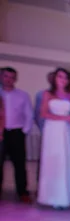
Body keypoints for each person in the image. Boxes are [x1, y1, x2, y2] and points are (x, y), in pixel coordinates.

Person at [37, 68, 70, 209]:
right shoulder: (47, 94)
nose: (63, 79)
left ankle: (68, 195)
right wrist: (65, 118)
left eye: (65, 77)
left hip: (68, 130)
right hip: (53, 130)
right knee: (54, 162)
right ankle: (53, 197)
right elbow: (43, 113)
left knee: (69, 161)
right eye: (60, 76)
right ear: (55, 78)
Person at [0, 67, 33, 203]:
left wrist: (24, 132)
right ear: (1, 77)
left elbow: (29, 115)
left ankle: (22, 192)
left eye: (12, 77)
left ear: (16, 79)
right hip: (0, 133)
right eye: (6, 76)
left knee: (19, 164)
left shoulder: (22, 95)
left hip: (16, 133)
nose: (9, 79)